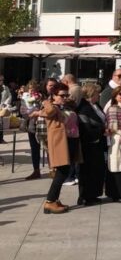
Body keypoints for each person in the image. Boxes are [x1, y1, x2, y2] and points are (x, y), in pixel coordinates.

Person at [41, 84, 78, 214]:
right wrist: (46, 100)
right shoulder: (51, 108)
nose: (65, 98)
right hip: (60, 144)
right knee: (62, 172)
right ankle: (49, 202)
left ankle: (54, 200)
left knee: (64, 171)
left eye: (66, 95)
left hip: (70, 141)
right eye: (62, 95)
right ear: (54, 96)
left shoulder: (63, 107)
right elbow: (49, 111)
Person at [74, 83, 106, 206]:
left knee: (97, 170)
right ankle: (85, 196)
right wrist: (102, 131)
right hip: (88, 144)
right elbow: (85, 128)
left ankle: (93, 195)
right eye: (98, 93)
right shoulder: (83, 108)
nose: (99, 95)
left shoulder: (96, 105)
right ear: (91, 94)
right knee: (87, 171)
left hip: (98, 143)